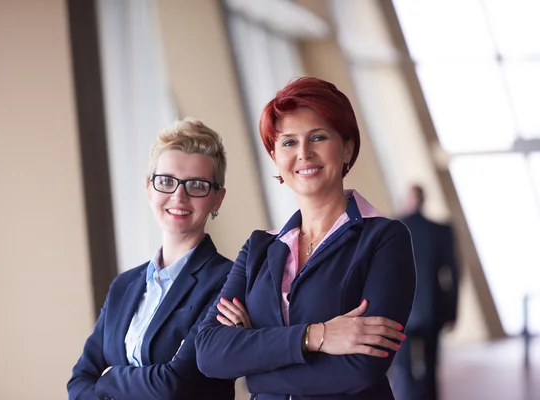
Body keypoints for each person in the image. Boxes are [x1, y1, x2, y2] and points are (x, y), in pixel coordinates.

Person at [194, 77, 416, 400]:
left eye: (318, 137)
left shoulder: (384, 239)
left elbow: (362, 367)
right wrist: (316, 336)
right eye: (288, 143)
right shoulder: (259, 248)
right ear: (275, 157)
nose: (304, 153)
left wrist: (254, 374)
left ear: (347, 147)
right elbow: (209, 351)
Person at [67, 118, 235, 400]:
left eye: (196, 185)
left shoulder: (228, 281)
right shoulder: (124, 285)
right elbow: (80, 381)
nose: (178, 196)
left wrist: (110, 377)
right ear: (149, 188)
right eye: (166, 181)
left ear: (217, 199)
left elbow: (175, 385)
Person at [391, 184, 459, 400]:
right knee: (430, 367)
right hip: (433, 309)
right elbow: (453, 275)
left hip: (401, 311)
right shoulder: (440, 230)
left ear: (408, 200)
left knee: (404, 369)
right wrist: (452, 310)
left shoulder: (393, 228)